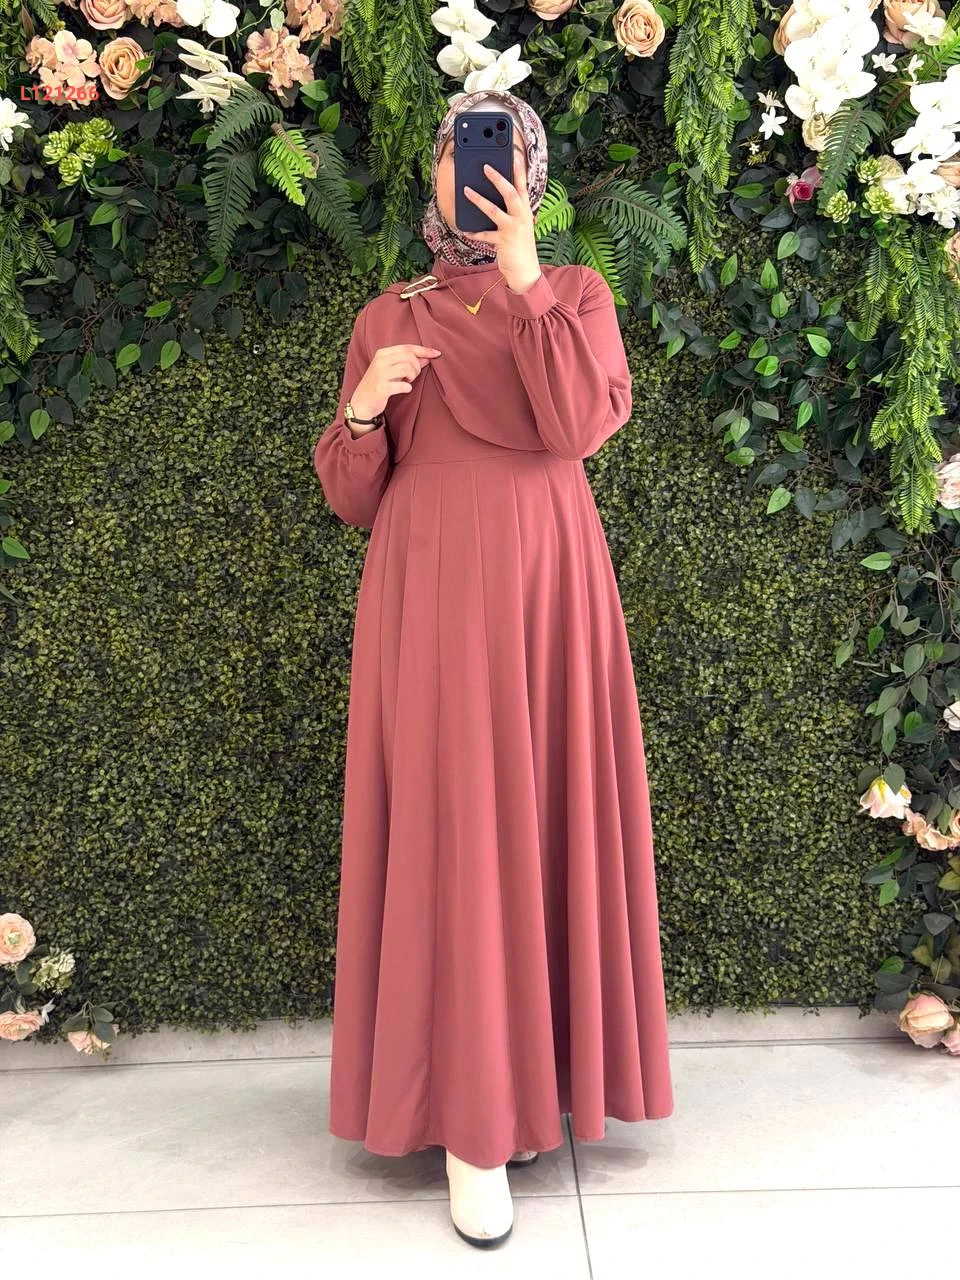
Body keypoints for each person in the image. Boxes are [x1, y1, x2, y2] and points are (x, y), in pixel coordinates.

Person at [313, 87, 674, 1249]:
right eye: (460, 152)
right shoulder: (389, 315)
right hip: (427, 595)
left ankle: (531, 1089)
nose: (475, 173)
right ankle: (470, 1124)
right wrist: (360, 412)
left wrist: (524, 279)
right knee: (455, 829)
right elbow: (351, 496)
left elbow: (578, 426)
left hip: (546, 586)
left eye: (505, 154)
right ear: (433, 172)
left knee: (542, 816)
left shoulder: (575, 295)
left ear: (535, 176)